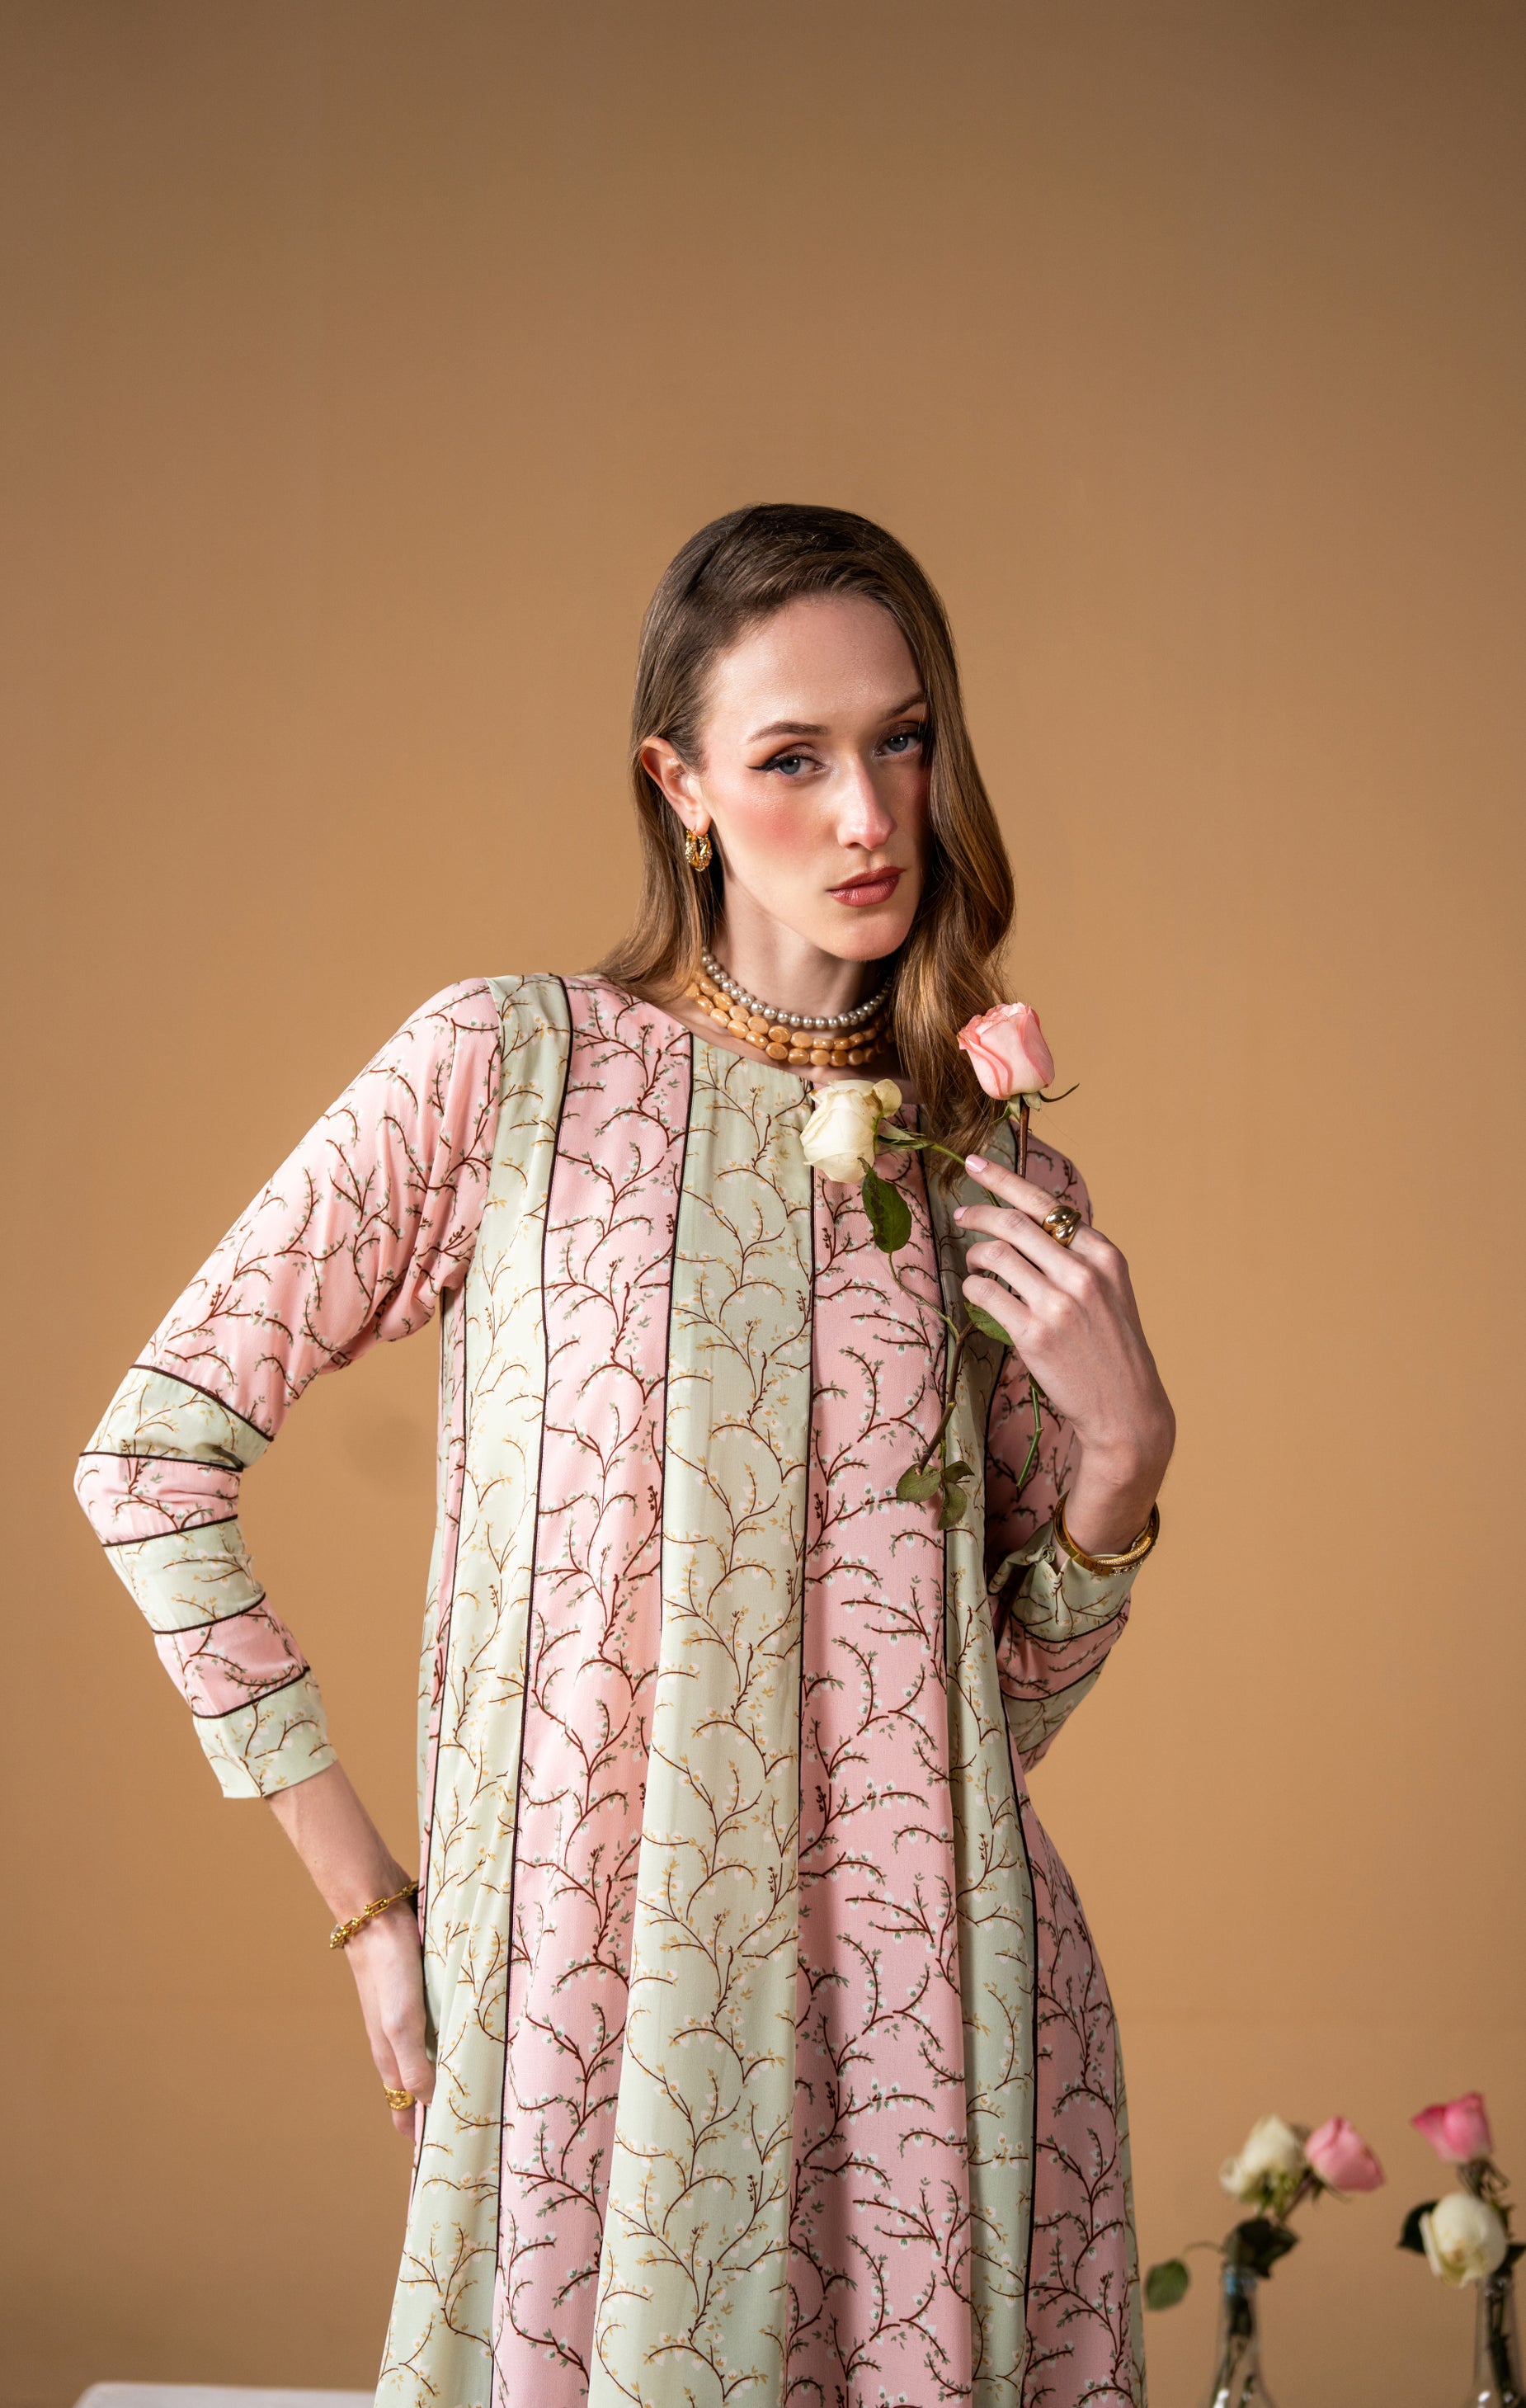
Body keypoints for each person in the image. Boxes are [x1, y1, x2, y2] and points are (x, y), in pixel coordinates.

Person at [75, 503, 1175, 2408]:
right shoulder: (510, 1072)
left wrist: (1124, 1455)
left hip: (935, 2056)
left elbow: (974, 1721)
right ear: (679, 788)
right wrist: (371, 1905)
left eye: (903, 740)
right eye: (792, 757)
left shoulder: (995, 1176)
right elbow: (150, 1457)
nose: (868, 814)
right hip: (604, 2031)